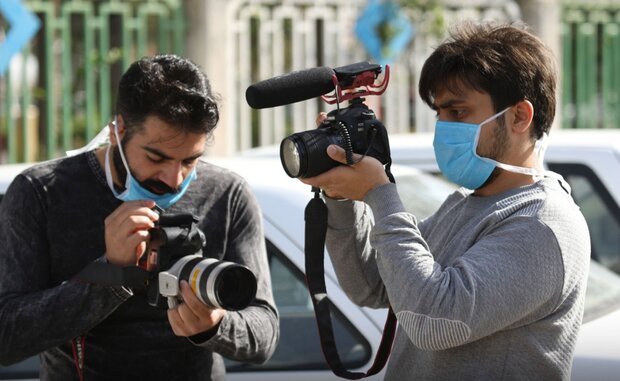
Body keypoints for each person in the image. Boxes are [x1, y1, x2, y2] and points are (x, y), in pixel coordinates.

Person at [301, 22, 590, 380]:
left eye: (458, 113)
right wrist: (342, 196)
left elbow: (435, 322)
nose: (444, 127)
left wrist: (380, 193)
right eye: (440, 114)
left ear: (519, 116)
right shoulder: (468, 203)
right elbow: (372, 285)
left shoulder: (542, 223)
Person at [0, 54, 278, 380]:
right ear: (118, 130)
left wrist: (215, 324)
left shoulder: (227, 194)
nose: (175, 178)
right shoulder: (42, 192)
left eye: (190, 160)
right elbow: (7, 338)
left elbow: (265, 334)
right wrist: (110, 274)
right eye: (156, 157)